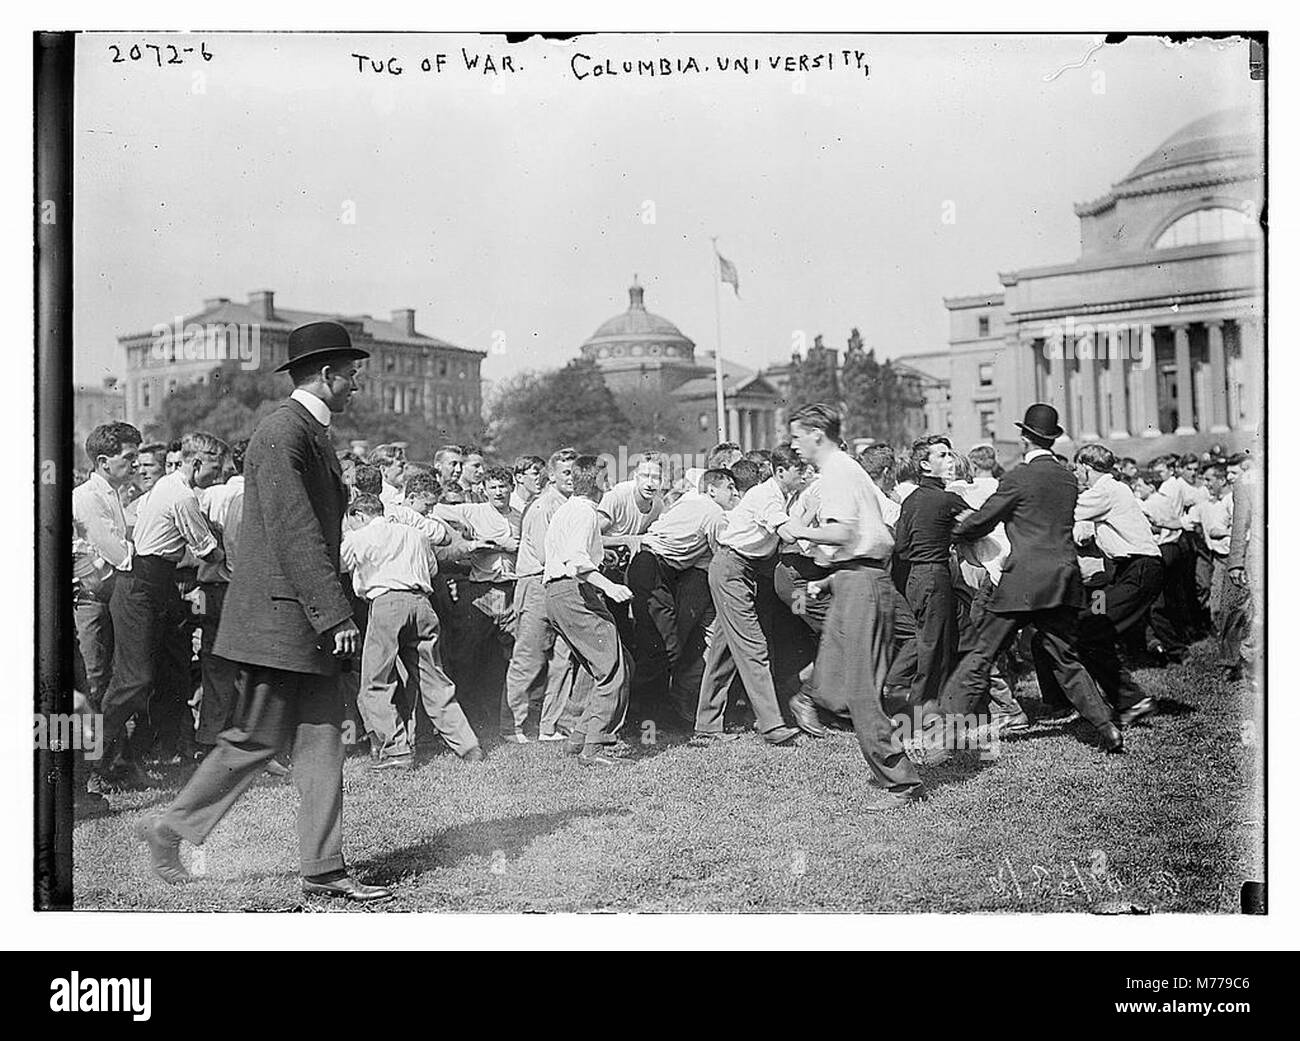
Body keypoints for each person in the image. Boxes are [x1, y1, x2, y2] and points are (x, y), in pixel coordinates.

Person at [135, 320, 391, 902]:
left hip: (296, 620)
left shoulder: (307, 432)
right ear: (326, 376)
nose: (355, 386)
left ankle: (324, 870)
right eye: (351, 376)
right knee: (254, 738)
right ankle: (169, 827)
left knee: (322, 740)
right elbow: (295, 531)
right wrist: (335, 616)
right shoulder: (285, 431)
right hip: (284, 623)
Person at [940, 404, 1122, 753]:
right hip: (1063, 579)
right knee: (1066, 659)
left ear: (1025, 438)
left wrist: (958, 525)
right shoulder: (1068, 478)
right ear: (1052, 439)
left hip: (1022, 582)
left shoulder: (1018, 477)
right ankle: (1107, 727)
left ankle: (945, 730)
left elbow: (983, 521)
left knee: (980, 654)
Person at [785, 405, 924, 810]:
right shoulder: (847, 469)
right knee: (834, 684)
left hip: (862, 583)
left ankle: (900, 780)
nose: (794, 445)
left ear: (816, 434)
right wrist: (830, 578)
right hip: (854, 578)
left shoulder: (837, 473)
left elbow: (843, 531)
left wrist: (797, 529)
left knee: (859, 689)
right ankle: (814, 701)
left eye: (797, 436)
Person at [95, 432, 226, 788]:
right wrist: (220, 538)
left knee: (171, 673)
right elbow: (208, 551)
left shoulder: (169, 485)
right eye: (215, 467)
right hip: (141, 585)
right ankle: (90, 762)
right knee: (134, 680)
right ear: (196, 463)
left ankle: (131, 758)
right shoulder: (182, 495)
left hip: (159, 585)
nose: (219, 474)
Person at [341, 494, 481, 768]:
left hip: (385, 603)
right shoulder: (415, 534)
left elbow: (340, 566)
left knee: (376, 682)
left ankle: (396, 750)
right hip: (421, 604)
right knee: (434, 678)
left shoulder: (358, 536)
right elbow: (431, 568)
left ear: (358, 516)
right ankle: (467, 745)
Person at [693, 445, 805, 747]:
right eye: (800, 470)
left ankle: (706, 725)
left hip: (743, 570)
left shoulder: (781, 494)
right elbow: (788, 534)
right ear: (782, 472)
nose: (805, 474)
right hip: (732, 568)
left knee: (724, 650)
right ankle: (771, 724)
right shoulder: (766, 496)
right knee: (754, 646)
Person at [543, 455, 635, 766]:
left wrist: (602, 556)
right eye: (605, 478)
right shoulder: (584, 512)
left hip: (558, 595)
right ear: (596, 482)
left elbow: (571, 554)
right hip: (574, 593)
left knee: (621, 663)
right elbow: (577, 562)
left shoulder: (569, 509)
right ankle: (596, 747)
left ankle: (579, 738)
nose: (608, 483)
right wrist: (610, 587)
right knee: (612, 669)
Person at [627, 467, 738, 724]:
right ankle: (644, 716)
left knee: (656, 645)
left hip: (649, 566)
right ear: (711, 490)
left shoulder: (689, 500)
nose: (733, 493)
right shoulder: (714, 513)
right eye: (729, 488)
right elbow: (724, 556)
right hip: (653, 568)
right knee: (665, 649)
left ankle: (649, 714)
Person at [1066, 443, 1164, 726]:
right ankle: (1128, 701)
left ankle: (1130, 700)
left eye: (1077, 469)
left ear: (1086, 467)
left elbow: (1068, 510)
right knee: (1093, 631)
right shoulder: (1111, 490)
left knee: (1089, 627)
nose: (1076, 474)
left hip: (1140, 569)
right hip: (1128, 571)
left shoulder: (1105, 491)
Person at [502, 448, 588, 741]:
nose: (572, 478)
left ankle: (550, 725)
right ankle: (511, 725)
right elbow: (546, 553)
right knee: (530, 658)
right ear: (551, 475)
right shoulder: (544, 506)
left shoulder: (570, 504)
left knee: (563, 657)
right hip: (538, 583)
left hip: (562, 582)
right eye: (566, 472)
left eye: (575, 472)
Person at [893, 435, 968, 717]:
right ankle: (922, 707)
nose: (950, 461)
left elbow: (901, 547)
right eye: (943, 456)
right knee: (934, 646)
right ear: (925, 465)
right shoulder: (949, 499)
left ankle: (909, 696)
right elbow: (978, 526)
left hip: (915, 577)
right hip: (936, 575)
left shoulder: (911, 500)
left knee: (926, 639)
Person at [72, 422, 141, 709]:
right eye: (128, 457)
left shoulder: (111, 493)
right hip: (91, 602)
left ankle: (106, 751)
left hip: (107, 599)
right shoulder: (89, 496)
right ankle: (92, 751)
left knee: (107, 677)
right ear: (103, 462)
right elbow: (120, 554)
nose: (135, 463)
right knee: (94, 677)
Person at [371, 443, 407, 510]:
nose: (406, 469)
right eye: (401, 466)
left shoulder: (408, 489)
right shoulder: (377, 499)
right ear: (383, 470)